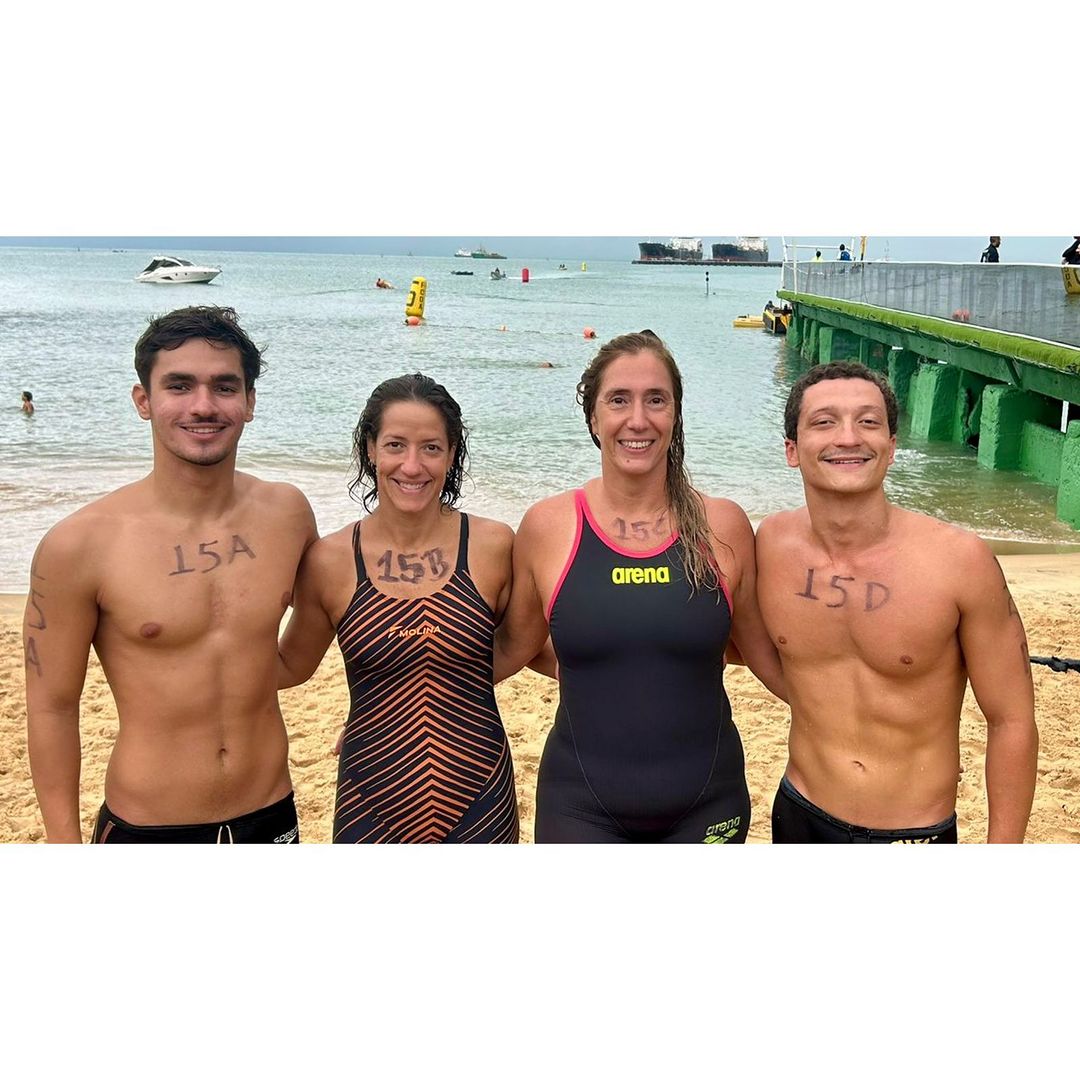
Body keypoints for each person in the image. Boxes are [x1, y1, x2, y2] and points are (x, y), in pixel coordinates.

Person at [24, 306, 317, 843]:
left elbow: (341, 621)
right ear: (144, 401)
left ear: (250, 401)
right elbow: (52, 708)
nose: (203, 406)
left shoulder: (287, 514)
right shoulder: (80, 545)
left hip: (272, 813)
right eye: (179, 386)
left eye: (224, 387)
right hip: (149, 825)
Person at [495, 330, 786, 843]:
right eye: (618, 400)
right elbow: (512, 648)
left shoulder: (723, 525)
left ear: (675, 415)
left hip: (708, 803)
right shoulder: (548, 526)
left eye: (656, 400)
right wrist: (401, 697)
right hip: (580, 806)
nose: (638, 419)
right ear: (593, 417)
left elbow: (764, 655)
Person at [756, 361, 1038, 843]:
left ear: (891, 447)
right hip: (798, 809)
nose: (848, 438)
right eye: (824, 422)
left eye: (868, 422)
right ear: (792, 450)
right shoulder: (770, 544)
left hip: (913, 831)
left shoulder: (959, 561)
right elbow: (735, 642)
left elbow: (1011, 720)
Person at [277, 373, 519, 843]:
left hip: (480, 796)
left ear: (452, 454)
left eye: (431, 448)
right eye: (395, 445)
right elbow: (289, 665)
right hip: (370, 796)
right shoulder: (330, 560)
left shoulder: (493, 546)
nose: (412, 466)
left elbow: (531, 646)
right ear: (370, 449)